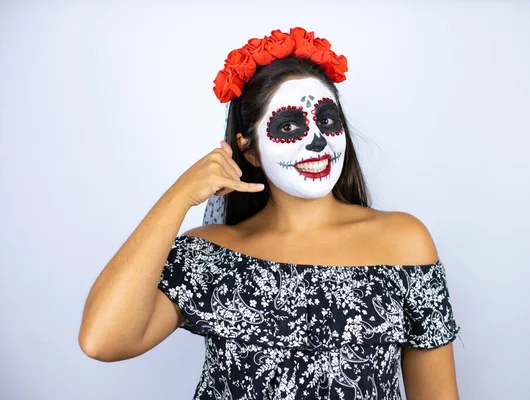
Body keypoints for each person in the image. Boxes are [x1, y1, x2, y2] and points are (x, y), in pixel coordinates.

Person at [79, 27, 461, 400]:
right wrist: (178, 197)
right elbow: (102, 340)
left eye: (327, 120)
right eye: (289, 126)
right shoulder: (208, 254)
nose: (317, 141)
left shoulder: (404, 242)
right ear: (249, 151)